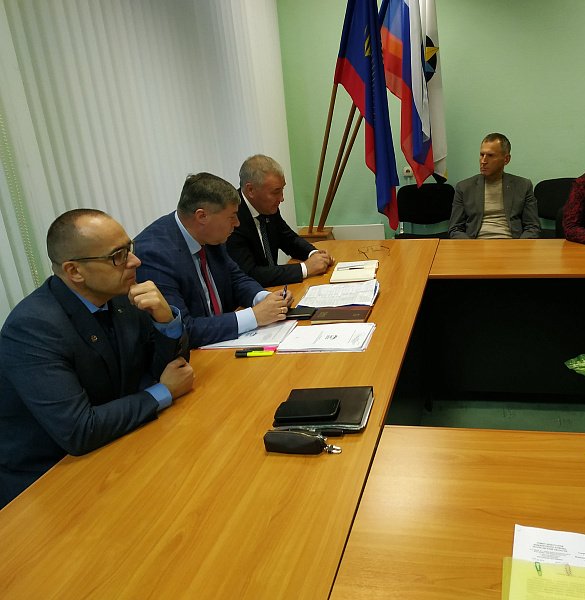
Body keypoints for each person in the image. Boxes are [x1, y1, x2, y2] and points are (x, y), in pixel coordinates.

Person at [0, 209, 193, 507]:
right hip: (49, 482)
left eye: (129, 248)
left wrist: (167, 322)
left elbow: (173, 370)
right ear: (74, 271)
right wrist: (163, 392)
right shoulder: (32, 328)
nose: (135, 261)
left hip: (117, 447)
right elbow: (79, 430)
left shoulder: (120, 296)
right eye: (118, 256)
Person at [135, 172, 292, 349]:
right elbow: (183, 329)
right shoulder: (154, 254)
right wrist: (254, 316)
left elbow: (236, 278)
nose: (237, 223)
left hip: (223, 343)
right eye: (232, 216)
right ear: (202, 216)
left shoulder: (209, 235)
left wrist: (264, 298)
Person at [227, 155, 334, 286]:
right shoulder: (231, 217)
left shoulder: (267, 207)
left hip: (274, 290)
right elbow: (250, 274)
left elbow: (289, 239)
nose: (282, 198)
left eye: (282, 190)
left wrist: (314, 254)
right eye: (276, 192)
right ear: (251, 190)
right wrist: (305, 268)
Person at [448, 133, 541, 239]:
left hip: (511, 243)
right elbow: (455, 229)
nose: (483, 161)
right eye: (481, 155)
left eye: (490, 156)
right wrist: (470, 246)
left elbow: (532, 227)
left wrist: (519, 246)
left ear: (506, 159)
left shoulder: (523, 186)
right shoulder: (464, 187)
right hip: (476, 243)